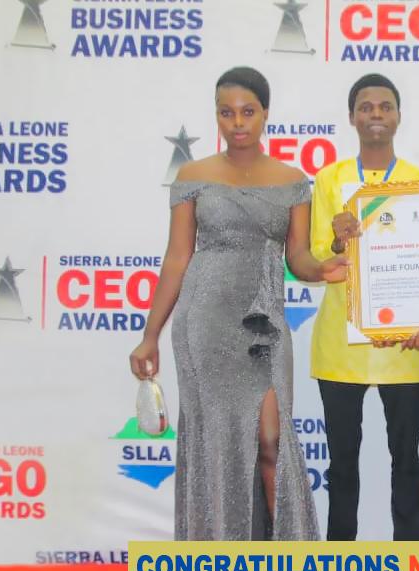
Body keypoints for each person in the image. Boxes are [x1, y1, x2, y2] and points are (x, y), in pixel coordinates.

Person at [129, 67, 344, 542]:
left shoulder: (292, 181)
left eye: (248, 112)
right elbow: (177, 258)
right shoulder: (193, 176)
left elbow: (299, 257)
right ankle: (218, 564)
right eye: (226, 113)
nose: (238, 122)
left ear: (265, 113)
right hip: (204, 323)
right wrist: (150, 335)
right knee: (215, 447)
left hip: (264, 323)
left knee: (272, 440)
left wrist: (325, 267)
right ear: (216, 116)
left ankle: (284, 564)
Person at [309, 74, 419, 541]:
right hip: (340, 345)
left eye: (385, 106)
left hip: (405, 344)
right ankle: (337, 562)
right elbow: (312, 258)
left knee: (407, 461)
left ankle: (411, 563)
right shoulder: (329, 179)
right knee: (341, 463)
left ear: (398, 116)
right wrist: (335, 239)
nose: (376, 114)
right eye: (366, 107)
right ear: (351, 117)